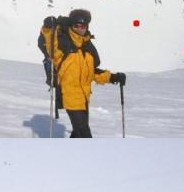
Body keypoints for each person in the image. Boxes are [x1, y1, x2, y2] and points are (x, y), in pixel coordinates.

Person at [38, 9, 126, 137]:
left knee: (77, 133)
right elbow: (49, 38)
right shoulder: (61, 42)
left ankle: (72, 156)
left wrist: (113, 77)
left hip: (84, 98)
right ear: (71, 25)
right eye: (77, 26)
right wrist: (47, 27)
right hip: (69, 96)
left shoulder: (87, 47)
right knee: (84, 133)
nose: (80, 29)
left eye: (84, 26)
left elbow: (93, 72)